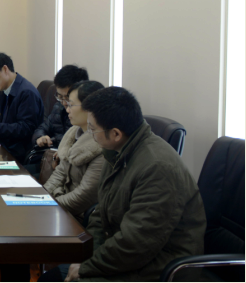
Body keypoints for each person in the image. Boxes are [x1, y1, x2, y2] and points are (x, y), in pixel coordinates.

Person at [42, 87, 206, 282]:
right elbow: (100, 215)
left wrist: (87, 267)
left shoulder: (158, 168)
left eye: (93, 130)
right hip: (125, 252)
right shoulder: (116, 152)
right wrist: (86, 257)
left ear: (116, 134)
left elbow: (137, 243)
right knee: (53, 277)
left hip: (159, 266)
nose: (90, 135)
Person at [43, 80, 105, 221]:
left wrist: (48, 204)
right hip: (61, 205)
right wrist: (42, 197)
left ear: (90, 107)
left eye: (71, 105)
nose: (67, 109)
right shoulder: (73, 133)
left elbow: (84, 196)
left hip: (79, 217)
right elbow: (60, 173)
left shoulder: (101, 145)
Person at [33, 65, 89, 149]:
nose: (64, 103)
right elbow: (42, 128)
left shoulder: (84, 115)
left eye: (67, 98)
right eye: (60, 97)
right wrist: (41, 137)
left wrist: (54, 140)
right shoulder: (58, 107)